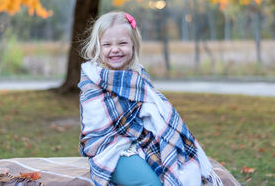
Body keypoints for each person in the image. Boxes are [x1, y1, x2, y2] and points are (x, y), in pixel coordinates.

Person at [78, 12, 223, 186]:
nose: (115, 49)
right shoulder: (93, 79)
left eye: (122, 43)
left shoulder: (138, 75)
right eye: (107, 44)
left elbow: (153, 113)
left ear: (133, 45)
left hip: (142, 142)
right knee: (152, 183)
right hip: (109, 149)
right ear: (97, 47)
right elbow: (97, 123)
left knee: (176, 174)